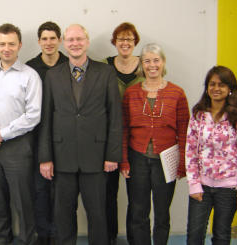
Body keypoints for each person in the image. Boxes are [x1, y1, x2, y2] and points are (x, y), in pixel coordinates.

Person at [38, 24, 122, 245]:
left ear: (87, 41)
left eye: (79, 39)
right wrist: (45, 157)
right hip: (62, 156)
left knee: (98, 214)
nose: (75, 44)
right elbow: (46, 118)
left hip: (96, 156)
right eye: (70, 40)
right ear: (64, 44)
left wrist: (113, 154)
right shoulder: (52, 76)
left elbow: (115, 116)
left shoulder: (105, 73)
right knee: (63, 215)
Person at [0, 23, 42, 245]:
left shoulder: (30, 76)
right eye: (2, 44)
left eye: (11, 44)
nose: (6, 48)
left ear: (20, 45)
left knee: (23, 204)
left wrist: (2, 134)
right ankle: (1, 242)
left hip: (18, 147)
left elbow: (33, 116)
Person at [120, 43, 189, 245]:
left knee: (162, 212)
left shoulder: (177, 93)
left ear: (163, 62)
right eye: (147, 61)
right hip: (137, 158)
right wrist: (124, 161)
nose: (152, 65)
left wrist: (182, 163)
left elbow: (185, 131)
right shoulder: (131, 93)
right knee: (138, 211)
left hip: (166, 160)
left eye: (156, 60)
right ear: (142, 64)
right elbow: (124, 129)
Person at [185, 66, 237, 245]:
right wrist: (194, 184)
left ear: (230, 89)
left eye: (221, 85)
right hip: (202, 187)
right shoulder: (198, 114)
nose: (216, 88)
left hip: (229, 188)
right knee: (194, 236)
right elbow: (190, 151)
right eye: (212, 84)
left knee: (221, 236)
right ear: (207, 88)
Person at [26, 21, 68, 245]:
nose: (49, 43)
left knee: (62, 194)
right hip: (37, 139)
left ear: (59, 40)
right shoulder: (30, 68)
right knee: (40, 192)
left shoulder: (70, 64)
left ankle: (59, 237)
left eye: (53, 38)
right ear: (39, 41)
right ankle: (43, 236)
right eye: (45, 39)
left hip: (65, 140)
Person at [101, 22, 144, 245]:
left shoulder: (146, 66)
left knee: (136, 196)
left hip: (137, 141)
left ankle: (135, 239)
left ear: (135, 42)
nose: (125, 43)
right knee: (108, 195)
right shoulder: (104, 66)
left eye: (129, 39)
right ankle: (109, 237)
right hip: (109, 140)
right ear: (114, 42)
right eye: (120, 39)